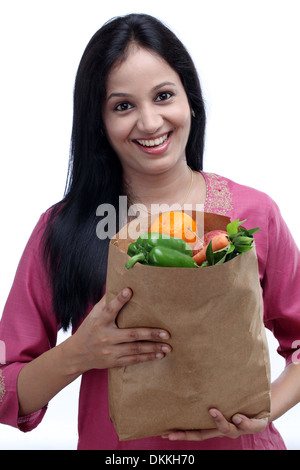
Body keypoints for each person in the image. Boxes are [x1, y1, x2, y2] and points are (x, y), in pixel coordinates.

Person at [0, 13, 299, 451]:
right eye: (123, 105)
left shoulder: (254, 213)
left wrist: (262, 413)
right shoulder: (63, 229)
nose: (150, 122)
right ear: (98, 122)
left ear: (190, 100)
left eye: (163, 96)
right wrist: (77, 354)